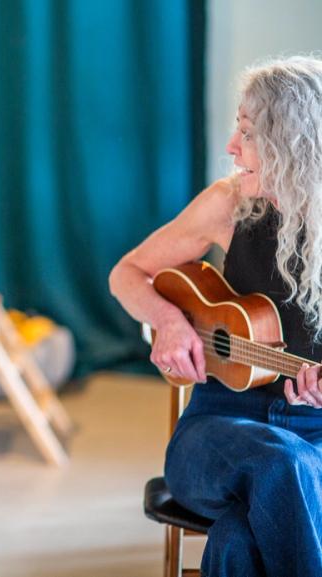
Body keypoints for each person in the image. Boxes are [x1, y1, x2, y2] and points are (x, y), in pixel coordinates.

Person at [109, 55, 322, 576]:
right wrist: (170, 322)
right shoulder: (228, 205)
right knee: (280, 462)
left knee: (236, 538)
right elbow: (128, 273)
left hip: (315, 437)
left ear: (290, 143)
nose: (231, 147)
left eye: (247, 133)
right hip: (218, 427)